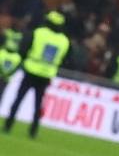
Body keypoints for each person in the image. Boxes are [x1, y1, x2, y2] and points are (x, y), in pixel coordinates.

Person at [3, 9, 70, 138]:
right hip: (47, 74)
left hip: (31, 70)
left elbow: (25, 47)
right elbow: (65, 58)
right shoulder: (64, 40)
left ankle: (8, 125)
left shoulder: (38, 33)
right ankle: (33, 130)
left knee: (18, 99)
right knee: (38, 104)